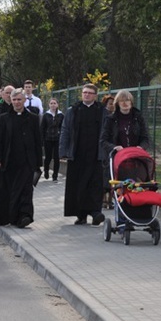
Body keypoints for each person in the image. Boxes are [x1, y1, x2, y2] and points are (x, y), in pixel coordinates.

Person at [0, 88, 43, 227]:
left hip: (27, 161)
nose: (16, 102)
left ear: (24, 100)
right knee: (10, 190)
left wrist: (39, 162)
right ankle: (9, 217)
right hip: (9, 161)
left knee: (26, 189)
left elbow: (37, 141)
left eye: (19, 99)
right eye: (14, 100)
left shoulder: (33, 118)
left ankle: (24, 216)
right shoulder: (4, 118)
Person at [59, 84, 106, 226]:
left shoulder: (102, 111)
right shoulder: (73, 110)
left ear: (95, 95)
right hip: (77, 154)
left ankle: (95, 213)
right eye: (84, 92)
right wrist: (63, 151)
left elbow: (107, 131)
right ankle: (81, 215)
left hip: (95, 155)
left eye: (90, 93)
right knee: (78, 185)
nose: (86, 95)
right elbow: (65, 131)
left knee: (95, 185)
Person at [100, 89, 150, 155]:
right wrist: (114, 147)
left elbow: (145, 138)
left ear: (131, 102)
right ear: (117, 103)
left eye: (127, 100)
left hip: (135, 155)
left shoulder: (138, 118)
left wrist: (141, 147)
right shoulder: (110, 119)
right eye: (121, 100)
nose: (124, 103)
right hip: (117, 155)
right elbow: (103, 141)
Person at [40, 98, 64, 181]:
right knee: (48, 157)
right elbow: (42, 128)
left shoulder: (61, 115)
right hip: (48, 139)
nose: (53, 105)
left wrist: (60, 135)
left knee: (57, 158)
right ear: (49, 105)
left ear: (57, 104)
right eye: (51, 103)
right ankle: (46, 171)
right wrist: (42, 140)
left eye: (54, 103)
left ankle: (55, 175)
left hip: (57, 139)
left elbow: (63, 127)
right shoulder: (46, 115)